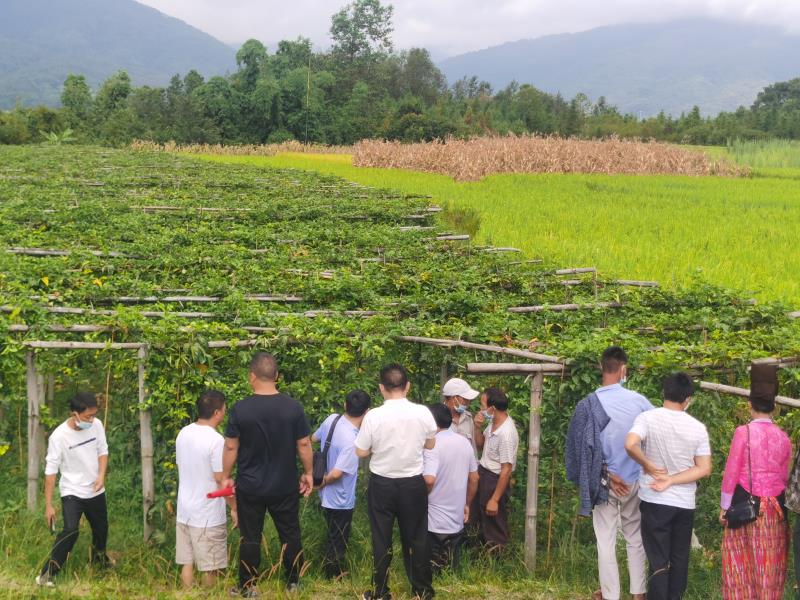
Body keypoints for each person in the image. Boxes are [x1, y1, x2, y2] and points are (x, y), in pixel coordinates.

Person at [222, 352, 313, 597]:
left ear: (252, 376)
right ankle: (293, 582)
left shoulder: (241, 409)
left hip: (250, 486)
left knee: (250, 536)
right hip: (284, 485)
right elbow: (303, 444)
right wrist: (308, 473)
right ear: (277, 377)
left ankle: (248, 586)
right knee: (290, 533)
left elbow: (231, 446)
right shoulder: (293, 407)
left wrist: (226, 476)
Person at [625, 372, 712, 600]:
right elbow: (704, 468)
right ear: (687, 399)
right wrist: (673, 480)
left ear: (664, 393)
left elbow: (630, 444)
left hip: (654, 499)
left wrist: (649, 465)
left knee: (658, 558)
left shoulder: (647, 418)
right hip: (684, 502)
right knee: (680, 557)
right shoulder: (697, 428)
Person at [355, 363, 437, 600]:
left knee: (381, 537)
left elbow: (360, 452)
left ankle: (380, 592)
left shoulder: (373, 416)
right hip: (413, 483)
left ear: (381, 388)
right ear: (407, 386)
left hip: (382, 483)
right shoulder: (422, 412)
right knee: (417, 537)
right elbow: (431, 444)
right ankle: (422, 591)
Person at [720, 362, 791, 600]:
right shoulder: (783, 437)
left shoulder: (744, 432)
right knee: (769, 567)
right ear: (775, 408)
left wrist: (724, 506)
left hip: (747, 509)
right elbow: (784, 477)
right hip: (775, 513)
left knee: (743, 566)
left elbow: (731, 473)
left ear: (749, 405)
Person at [588, 346, 653, 600]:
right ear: (623, 369)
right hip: (634, 481)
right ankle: (639, 594)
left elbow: (585, 449)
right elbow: (652, 435)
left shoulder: (590, 403)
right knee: (635, 537)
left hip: (604, 481)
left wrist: (606, 472)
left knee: (605, 540)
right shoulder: (639, 401)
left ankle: (610, 595)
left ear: (601, 368)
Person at [37, 392, 111, 587]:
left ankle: (99, 563)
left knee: (101, 529)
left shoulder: (97, 425)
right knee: (71, 531)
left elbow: (103, 452)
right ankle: (46, 574)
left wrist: (101, 476)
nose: (92, 419)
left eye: (94, 414)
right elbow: (51, 472)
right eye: (88, 416)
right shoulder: (59, 437)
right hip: (72, 490)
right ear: (74, 414)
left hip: (95, 489)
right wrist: (49, 505)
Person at [175, 389, 237, 589]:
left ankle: (186, 594)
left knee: (187, 561)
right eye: (224, 409)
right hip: (207, 513)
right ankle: (208, 595)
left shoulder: (184, 433)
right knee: (210, 566)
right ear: (218, 412)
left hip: (185, 509)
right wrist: (234, 507)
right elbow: (221, 480)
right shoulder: (216, 441)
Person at [311, 389, 371, 580]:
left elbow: (313, 439)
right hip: (340, 498)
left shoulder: (332, 419)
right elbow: (337, 473)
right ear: (367, 412)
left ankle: (330, 571)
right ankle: (332, 576)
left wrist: (317, 481)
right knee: (338, 538)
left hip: (324, 494)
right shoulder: (354, 440)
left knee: (332, 534)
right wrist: (321, 484)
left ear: (345, 405)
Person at [423, 403, 479, 572]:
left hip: (433, 518)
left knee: (432, 567)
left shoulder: (430, 446)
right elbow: (474, 478)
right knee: (452, 567)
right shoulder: (464, 443)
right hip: (456, 518)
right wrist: (467, 504)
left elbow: (429, 481)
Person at [473, 387, 519, 550]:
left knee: (495, 520)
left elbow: (506, 469)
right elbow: (480, 445)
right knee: (481, 518)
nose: (481, 409)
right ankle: (482, 557)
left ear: (492, 408)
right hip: (484, 474)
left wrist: (495, 499)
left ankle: (498, 560)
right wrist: (477, 427)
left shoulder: (506, 433)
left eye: (483, 405)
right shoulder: (493, 423)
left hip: (495, 480)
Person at [442, 377, 480, 453]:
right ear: (454, 398)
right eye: (465, 399)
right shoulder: (437, 417)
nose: (468, 403)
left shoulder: (468, 418)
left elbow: (473, 448)